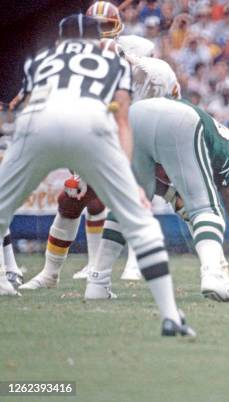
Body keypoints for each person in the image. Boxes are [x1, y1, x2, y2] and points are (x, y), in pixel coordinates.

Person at [0, 15, 194, 337]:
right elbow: (118, 124)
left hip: (37, 127)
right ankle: (170, 313)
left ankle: (5, 275)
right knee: (137, 217)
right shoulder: (115, 64)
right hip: (90, 129)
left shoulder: (44, 60)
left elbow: (29, 103)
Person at [85, 95, 229, 302]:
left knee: (128, 205)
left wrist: (172, 195)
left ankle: (98, 282)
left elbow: (153, 180)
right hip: (180, 120)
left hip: (136, 114)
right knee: (207, 209)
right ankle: (213, 276)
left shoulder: (219, 145)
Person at [19, 1, 155, 290]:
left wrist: (125, 59)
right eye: (98, 27)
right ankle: (51, 273)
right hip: (90, 132)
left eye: (108, 26)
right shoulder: (76, 58)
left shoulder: (133, 48)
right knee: (72, 198)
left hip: (133, 133)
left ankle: (132, 262)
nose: (103, 33)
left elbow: (148, 71)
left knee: (128, 198)